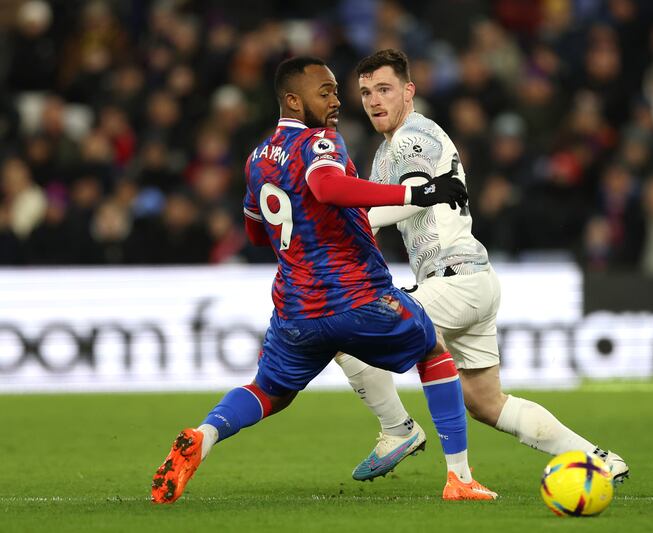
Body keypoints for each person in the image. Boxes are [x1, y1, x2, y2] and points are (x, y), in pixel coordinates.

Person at [151, 56, 497, 504]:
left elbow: (256, 231)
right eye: (325, 92)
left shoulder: (258, 159)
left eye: (336, 90)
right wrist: (418, 192)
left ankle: (205, 434)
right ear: (293, 100)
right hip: (356, 294)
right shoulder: (319, 143)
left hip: (295, 308)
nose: (336, 101)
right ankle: (459, 478)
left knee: (269, 390)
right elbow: (327, 187)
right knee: (432, 352)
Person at [334, 49, 630, 484]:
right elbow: (375, 219)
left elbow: (415, 193)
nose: (374, 100)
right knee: (486, 402)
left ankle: (397, 430)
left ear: (408, 91)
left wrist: (347, 227)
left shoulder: (414, 137)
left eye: (384, 89)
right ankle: (598, 458)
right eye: (365, 93)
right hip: (472, 281)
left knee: (339, 329)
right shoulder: (385, 153)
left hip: (453, 281)